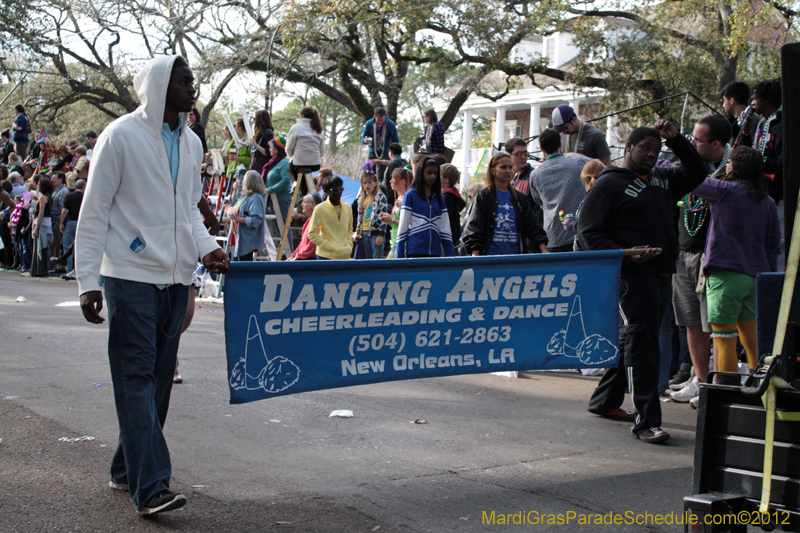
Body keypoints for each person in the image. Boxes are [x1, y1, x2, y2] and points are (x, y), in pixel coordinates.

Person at [75, 55, 229, 515]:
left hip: (178, 278)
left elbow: (185, 210)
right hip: (129, 276)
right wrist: (88, 279)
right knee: (136, 376)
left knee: (159, 379)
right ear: (160, 86)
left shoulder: (193, 142)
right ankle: (152, 486)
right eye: (185, 82)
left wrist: (207, 249)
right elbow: (95, 210)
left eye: (194, 81)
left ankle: (127, 469)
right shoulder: (119, 136)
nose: (193, 88)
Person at [578, 120, 706, 444]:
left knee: (636, 339)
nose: (651, 154)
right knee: (642, 343)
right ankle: (646, 422)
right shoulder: (609, 184)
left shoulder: (663, 178)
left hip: (663, 273)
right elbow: (588, 233)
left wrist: (676, 140)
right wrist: (624, 254)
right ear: (627, 149)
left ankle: (604, 401)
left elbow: (697, 171)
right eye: (644, 148)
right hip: (630, 277)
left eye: (656, 149)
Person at [692, 146, 779, 381]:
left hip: (726, 276)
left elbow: (691, 179)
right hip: (755, 279)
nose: (726, 165)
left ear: (736, 166)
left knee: (725, 342)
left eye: (729, 162)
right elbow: (772, 242)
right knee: (753, 344)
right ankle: (758, 388)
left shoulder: (724, 191)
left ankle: (726, 393)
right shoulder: (768, 201)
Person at [669, 114, 731, 403]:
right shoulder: (688, 168)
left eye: (697, 140)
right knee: (692, 321)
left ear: (716, 144)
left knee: (715, 323)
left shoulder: (734, 169)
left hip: (713, 257)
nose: (692, 143)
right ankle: (700, 379)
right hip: (684, 252)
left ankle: (716, 383)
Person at [462, 152, 547, 256]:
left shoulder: (519, 198)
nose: (507, 171)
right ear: (493, 170)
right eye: (503, 167)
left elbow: (533, 225)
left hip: (515, 259)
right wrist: (475, 255)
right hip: (489, 259)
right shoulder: (484, 196)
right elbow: (474, 228)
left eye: (510, 167)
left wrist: (544, 250)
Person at [528, 128, 589, 252]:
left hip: (552, 235)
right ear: (560, 144)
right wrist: (577, 155)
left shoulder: (535, 174)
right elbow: (599, 166)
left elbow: (538, 200)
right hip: (577, 232)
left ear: (541, 148)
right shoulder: (578, 163)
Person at [396, 156, 455, 258]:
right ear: (421, 173)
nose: (432, 176)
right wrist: (399, 259)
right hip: (414, 252)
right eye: (428, 172)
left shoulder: (440, 198)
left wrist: (451, 257)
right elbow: (403, 228)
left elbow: (445, 230)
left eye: (435, 173)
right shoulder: (411, 195)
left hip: (435, 253)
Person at [751, 79, 782, 271]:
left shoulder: (782, 125)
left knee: (776, 244)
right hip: (760, 194)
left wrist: (758, 162)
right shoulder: (761, 124)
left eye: (755, 98)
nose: (753, 102)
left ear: (767, 99)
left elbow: (783, 164)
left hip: (777, 195)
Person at [563, 159, 605, 251]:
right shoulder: (606, 197)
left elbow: (588, 229)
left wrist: (571, 224)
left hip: (589, 253)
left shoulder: (591, 199)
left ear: (583, 178)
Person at [308, 175, 353, 260]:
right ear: (326, 190)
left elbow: (349, 229)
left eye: (341, 189)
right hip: (325, 256)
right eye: (335, 189)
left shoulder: (348, 207)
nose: (339, 192)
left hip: (345, 255)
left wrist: (349, 246)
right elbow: (311, 233)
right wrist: (329, 246)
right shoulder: (320, 208)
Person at [224, 170, 265, 261]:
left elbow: (256, 220)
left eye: (244, 179)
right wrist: (235, 190)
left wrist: (237, 218)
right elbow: (235, 204)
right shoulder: (246, 196)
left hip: (246, 241)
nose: (242, 181)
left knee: (244, 265)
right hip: (238, 238)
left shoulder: (255, 198)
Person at [261, 136, 292, 251]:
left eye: (271, 148)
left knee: (283, 227)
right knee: (276, 227)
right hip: (272, 200)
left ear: (277, 148)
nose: (269, 150)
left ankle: (288, 252)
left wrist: (270, 189)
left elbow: (285, 180)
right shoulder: (273, 162)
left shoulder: (285, 162)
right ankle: (279, 252)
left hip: (281, 199)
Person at [286, 105, 325, 194]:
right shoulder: (318, 130)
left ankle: (297, 186)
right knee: (304, 172)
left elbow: (289, 148)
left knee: (290, 170)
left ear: (302, 116)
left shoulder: (295, 128)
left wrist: (292, 155)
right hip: (315, 163)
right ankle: (306, 194)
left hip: (299, 163)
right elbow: (322, 152)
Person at [353, 171, 389, 260]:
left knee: (376, 260)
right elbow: (360, 217)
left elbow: (384, 217)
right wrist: (357, 232)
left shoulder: (380, 197)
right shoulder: (361, 199)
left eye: (369, 182)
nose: (367, 185)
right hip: (364, 232)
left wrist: (381, 234)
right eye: (364, 183)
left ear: (375, 183)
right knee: (367, 260)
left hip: (376, 232)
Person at [380, 167, 410, 258]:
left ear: (402, 182)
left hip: (403, 244)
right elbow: (397, 223)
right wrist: (388, 220)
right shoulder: (399, 198)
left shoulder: (407, 199)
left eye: (393, 178)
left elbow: (409, 225)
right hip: (394, 242)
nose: (390, 181)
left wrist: (392, 219)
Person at [361, 107, 399, 180]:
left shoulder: (390, 124)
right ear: (374, 116)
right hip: (372, 152)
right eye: (378, 120)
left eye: (382, 120)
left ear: (385, 116)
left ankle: (380, 189)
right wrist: (364, 140)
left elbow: (395, 140)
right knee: (369, 174)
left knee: (380, 175)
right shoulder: (369, 123)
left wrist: (393, 152)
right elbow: (363, 136)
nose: (381, 121)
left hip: (384, 153)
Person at [59, 178, 85, 276]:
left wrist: (61, 223)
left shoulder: (69, 196)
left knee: (68, 245)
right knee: (80, 246)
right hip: (82, 222)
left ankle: (70, 268)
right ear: (84, 187)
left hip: (71, 222)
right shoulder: (85, 196)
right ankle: (79, 268)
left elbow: (64, 210)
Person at [720, 81, 758, 147]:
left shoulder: (754, 123)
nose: (723, 105)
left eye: (724, 101)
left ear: (732, 101)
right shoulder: (729, 124)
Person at [30, 177, 54, 277]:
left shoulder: (43, 197)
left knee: (39, 246)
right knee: (44, 246)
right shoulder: (49, 197)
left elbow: (41, 213)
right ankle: (42, 269)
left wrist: (35, 228)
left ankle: (39, 270)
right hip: (47, 222)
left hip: (42, 223)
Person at [440, 164, 466, 247]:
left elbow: (446, 214)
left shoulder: (447, 196)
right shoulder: (454, 193)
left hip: (447, 234)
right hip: (454, 233)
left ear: (446, 179)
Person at [49, 172, 68, 271]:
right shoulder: (56, 191)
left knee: (57, 243)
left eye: (54, 178)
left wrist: (60, 221)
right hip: (52, 220)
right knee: (53, 243)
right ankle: (55, 265)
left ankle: (60, 266)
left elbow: (63, 208)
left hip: (57, 220)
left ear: (60, 179)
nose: (52, 180)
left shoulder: (63, 192)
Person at [289, 195, 318, 260]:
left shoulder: (318, 222)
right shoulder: (308, 221)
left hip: (310, 260)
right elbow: (302, 243)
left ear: (313, 204)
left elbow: (312, 245)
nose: (302, 205)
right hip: (304, 257)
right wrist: (293, 255)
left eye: (304, 202)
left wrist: (297, 256)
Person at [249, 109, 274, 175]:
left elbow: (268, 152)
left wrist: (256, 145)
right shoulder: (260, 134)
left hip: (262, 167)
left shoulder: (268, 134)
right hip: (256, 166)